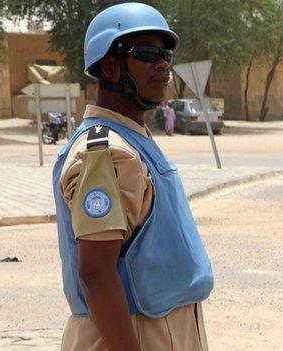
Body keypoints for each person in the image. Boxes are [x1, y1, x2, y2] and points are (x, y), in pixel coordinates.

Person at [52, 3, 213, 350]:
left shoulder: (132, 138)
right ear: (109, 67)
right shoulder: (107, 152)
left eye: (165, 54)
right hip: (135, 332)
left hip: (166, 324)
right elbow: (96, 273)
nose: (163, 64)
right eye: (147, 53)